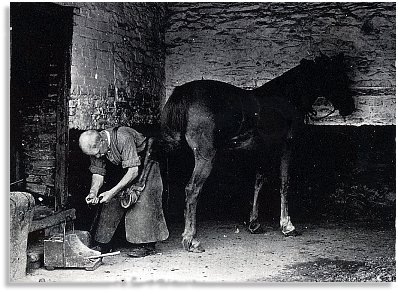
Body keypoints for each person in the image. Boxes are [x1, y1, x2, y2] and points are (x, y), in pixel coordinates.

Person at [78, 126, 169, 257]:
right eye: (93, 155)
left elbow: (133, 172)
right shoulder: (96, 147)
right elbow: (98, 174)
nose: (97, 156)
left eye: (98, 153)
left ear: (102, 141)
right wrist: (93, 192)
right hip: (128, 168)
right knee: (111, 201)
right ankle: (104, 243)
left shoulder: (123, 137)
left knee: (143, 201)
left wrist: (112, 192)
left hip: (146, 164)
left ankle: (146, 245)